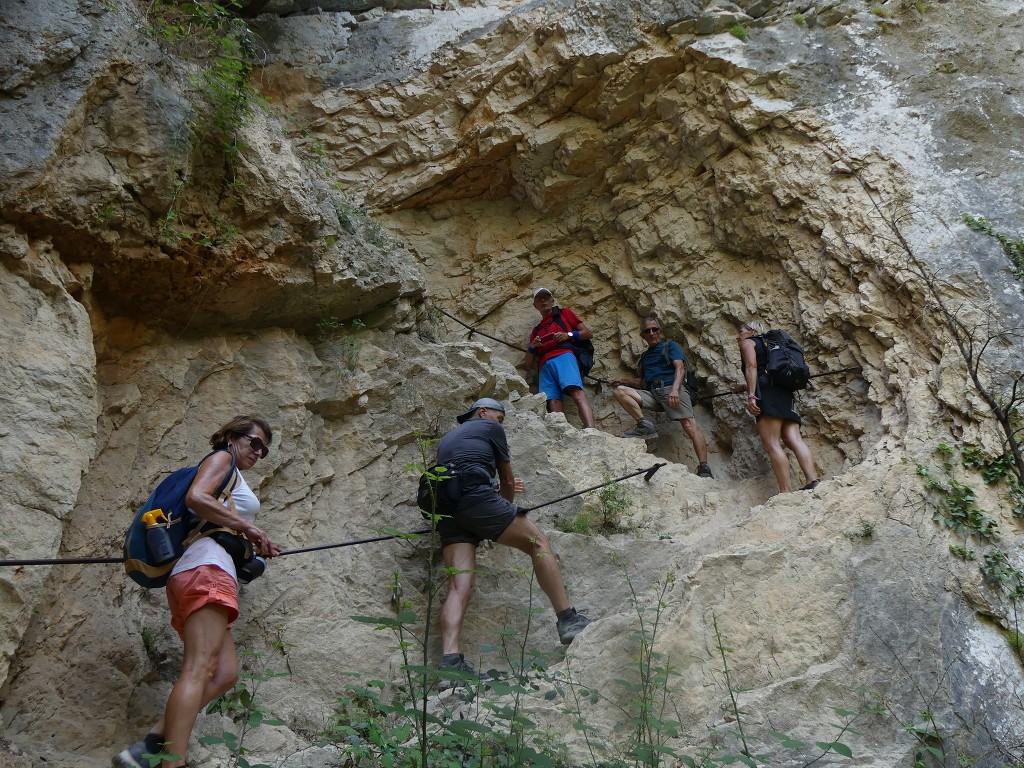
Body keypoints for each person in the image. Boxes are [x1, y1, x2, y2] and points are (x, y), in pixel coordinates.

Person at [114, 416, 281, 768]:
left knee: (225, 674)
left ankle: (149, 746)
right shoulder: (222, 459)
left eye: (265, 449)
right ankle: (172, 762)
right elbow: (197, 497)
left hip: (202, 572)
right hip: (206, 569)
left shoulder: (233, 475)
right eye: (255, 442)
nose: (259, 452)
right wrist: (249, 527)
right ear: (232, 438)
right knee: (199, 669)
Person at [434, 397, 591, 678]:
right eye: (500, 418)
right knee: (539, 543)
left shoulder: (448, 439)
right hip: (476, 499)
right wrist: (503, 506)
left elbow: (466, 472)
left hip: (445, 507)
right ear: (483, 412)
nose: (500, 423)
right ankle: (568, 620)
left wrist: (490, 499)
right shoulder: (489, 428)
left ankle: (450, 665)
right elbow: (507, 480)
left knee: (459, 586)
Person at [611, 316, 714, 479]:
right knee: (620, 391)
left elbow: (679, 368)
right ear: (642, 335)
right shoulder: (645, 357)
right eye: (647, 331)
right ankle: (644, 425)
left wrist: (674, 389)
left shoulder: (670, 346)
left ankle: (704, 467)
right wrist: (623, 381)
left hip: (671, 389)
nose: (652, 333)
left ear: (660, 331)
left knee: (689, 425)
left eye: (655, 329)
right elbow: (644, 382)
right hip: (653, 392)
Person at [736, 322, 819, 493]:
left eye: (741, 332)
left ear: (752, 331)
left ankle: (785, 492)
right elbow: (768, 372)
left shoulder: (749, 342)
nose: (738, 336)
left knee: (772, 443)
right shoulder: (772, 345)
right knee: (794, 439)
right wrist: (744, 387)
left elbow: (752, 367)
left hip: (766, 394)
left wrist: (751, 395)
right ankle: (813, 480)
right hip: (785, 392)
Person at [523, 288, 597, 429]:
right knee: (553, 401)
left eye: (546, 297)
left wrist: (567, 335)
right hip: (544, 365)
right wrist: (532, 346)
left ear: (552, 300)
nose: (543, 300)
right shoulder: (536, 330)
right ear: (535, 305)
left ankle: (591, 430)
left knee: (576, 391)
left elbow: (587, 333)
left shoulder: (564, 313)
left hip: (564, 355)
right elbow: (528, 363)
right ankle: (562, 432)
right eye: (539, 299)